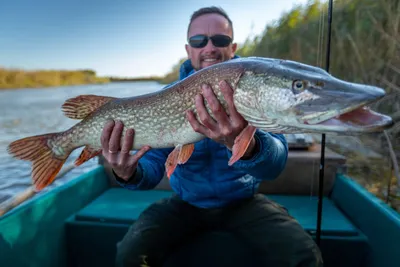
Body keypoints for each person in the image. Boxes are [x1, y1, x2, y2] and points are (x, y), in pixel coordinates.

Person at [100, 6, 323, 267]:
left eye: (220, 40)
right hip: (185, 204)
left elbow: (274, 164)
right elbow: (153, 165)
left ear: (232, 46)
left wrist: (248, 146)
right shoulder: (165, 98)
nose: (209, 47)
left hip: (242, 203)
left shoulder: (255, 86)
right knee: (129, 254)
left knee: (305, 256)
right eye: (199, 40)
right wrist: (128, 173)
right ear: (188, 50)